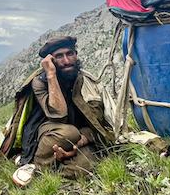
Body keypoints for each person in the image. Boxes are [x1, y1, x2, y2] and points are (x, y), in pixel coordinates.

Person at [13, 36, 110, 183]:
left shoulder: (87, 82)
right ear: (51, 60)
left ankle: (54, 166)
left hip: (77, 137)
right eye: (59, 56)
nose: (66, 61)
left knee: (84, 165)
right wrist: (51, 75)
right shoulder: (40, 82)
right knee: (68, 132)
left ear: (76, 55)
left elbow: (96, 122)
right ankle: (34, 165)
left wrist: (78, 144)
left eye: (69, 54)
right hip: (49, 132)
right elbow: (59, 116)